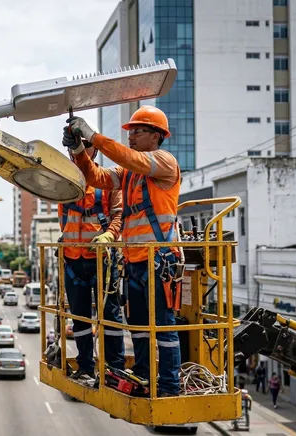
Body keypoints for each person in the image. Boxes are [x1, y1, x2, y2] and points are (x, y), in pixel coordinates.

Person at [63, 106, 182, 396]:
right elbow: (97, 178)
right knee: (139, 324)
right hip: (136, 260)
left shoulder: (164, 162)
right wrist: (80, 150)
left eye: (137, 132)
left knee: (164, 327)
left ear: (156, 136)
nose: (131, 137)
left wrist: (94, 136)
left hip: (160, 259)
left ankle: (169, 384)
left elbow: (129, 158)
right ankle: (142, 373)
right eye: (130, 132)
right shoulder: (129, 173)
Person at [57, 134, 125, 380]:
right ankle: (85, 364)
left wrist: (109, 235)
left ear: (93, 152)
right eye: (73, 149)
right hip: (74, 261)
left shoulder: (108, 181)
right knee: (79, 318)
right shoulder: (63, 182)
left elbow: (120, 215)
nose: (76, 153)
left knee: (110, 315)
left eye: (83, 148)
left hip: (102, 259)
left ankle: (114, 368)